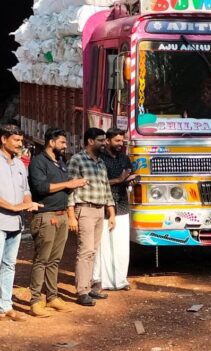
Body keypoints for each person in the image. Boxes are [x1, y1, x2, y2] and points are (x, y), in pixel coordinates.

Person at [27, 128, 88, 317]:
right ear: (51, 142)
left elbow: (63, 188)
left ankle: (52, 297)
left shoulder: (60, 162)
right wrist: (68, 184)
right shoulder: (38, 162)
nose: (65, 146)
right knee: (41, 260)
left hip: (61, 216)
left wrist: (75, 185)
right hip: (46, 215)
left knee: (54, 260)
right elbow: (40, 187)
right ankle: (36, 300)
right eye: (62, 142)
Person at [67, 128, 115, 307]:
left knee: (93, 251)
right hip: (84, 209)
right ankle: (82, 292)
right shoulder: (77, 160)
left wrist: (111, 212)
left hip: (99, 210)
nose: (104, 143)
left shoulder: (101, 162)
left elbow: (106, 188)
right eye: (101, 140)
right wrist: (71, 215)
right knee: (85, 251)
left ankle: (88, 287)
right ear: (90, 141)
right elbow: (70, 189)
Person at [0, 124, 42, 321]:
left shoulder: (19, 164)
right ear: (3, 139)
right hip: (1, 221)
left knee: (9, 265)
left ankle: (5, 306)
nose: (20, 144)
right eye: (16, 140)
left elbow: (25, 189)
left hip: (16, 224)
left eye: (21, 141)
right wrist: (14, 207)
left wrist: (27, 203)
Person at [92, 128, 136, 292]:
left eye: (122, 141)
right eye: (117, 141)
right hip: (103, 204)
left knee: (121, 244)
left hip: (122, 204)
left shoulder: (124, 158)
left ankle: (120, 280)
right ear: (108, 141)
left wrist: (131, 180)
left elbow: (129, 175)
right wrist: (118, 180)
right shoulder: (99, 159)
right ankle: (99, 280)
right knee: (102, 244)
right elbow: (96, 182)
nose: (121, 144)